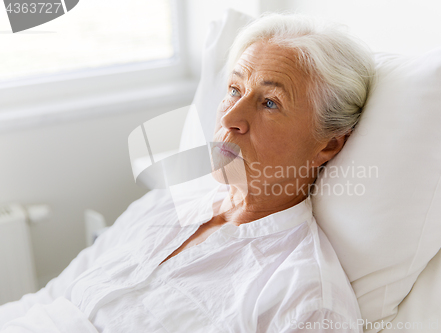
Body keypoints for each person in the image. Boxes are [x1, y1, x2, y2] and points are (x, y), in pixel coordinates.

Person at [0, 13, 374, 333]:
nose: (228, 117)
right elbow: (54, 295)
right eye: (233, 89)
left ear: (328, 145)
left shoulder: (304, 299)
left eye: (270, 102)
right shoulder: (167, 202)